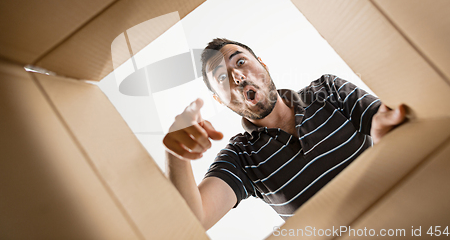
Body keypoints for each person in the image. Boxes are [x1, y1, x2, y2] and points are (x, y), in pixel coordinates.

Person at [163, 38, 406, 230]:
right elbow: (195, 222)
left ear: (262, 64)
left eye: (240, 62)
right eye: (222, 78)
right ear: (220, 100)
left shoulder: (329, 90)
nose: (237, 76)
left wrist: (389, 139)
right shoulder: (241, 158)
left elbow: (389, 121)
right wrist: (177, 155)